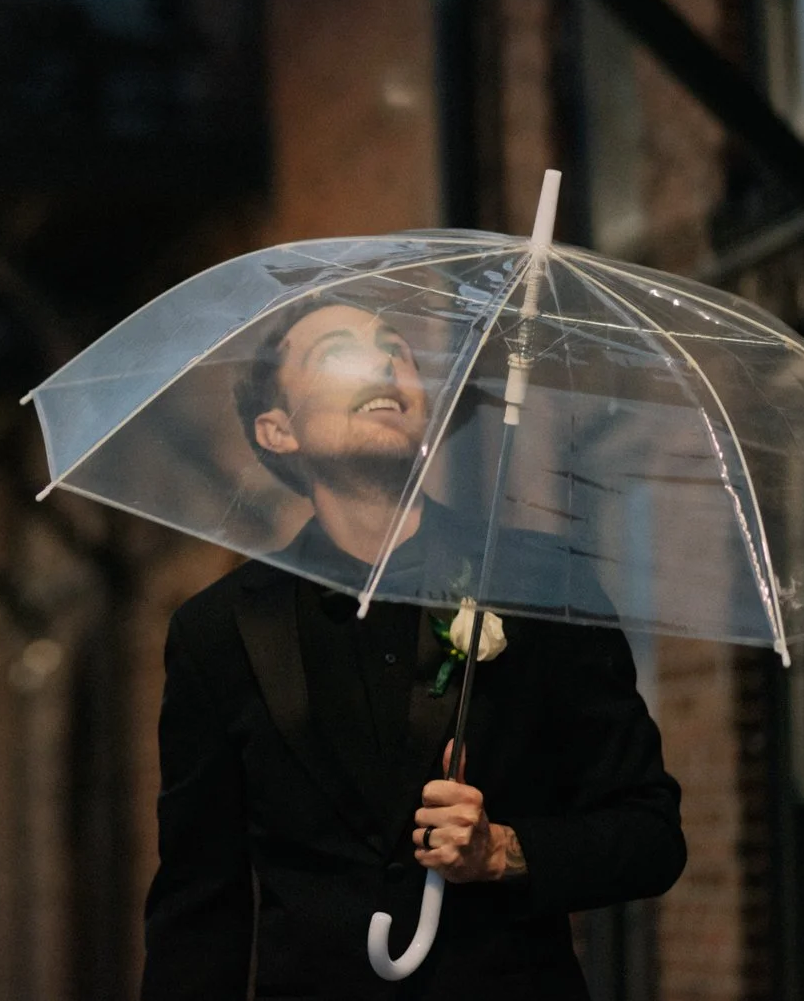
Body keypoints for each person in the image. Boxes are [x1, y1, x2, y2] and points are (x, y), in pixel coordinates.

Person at [141, 298, 686, 999]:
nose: (383, 365)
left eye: (394, 349)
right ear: (279, 430)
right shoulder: (218, 630)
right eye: (339, 354)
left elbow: (650, 834)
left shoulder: (538, 584)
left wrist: (504, 850)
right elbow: (196, 909)